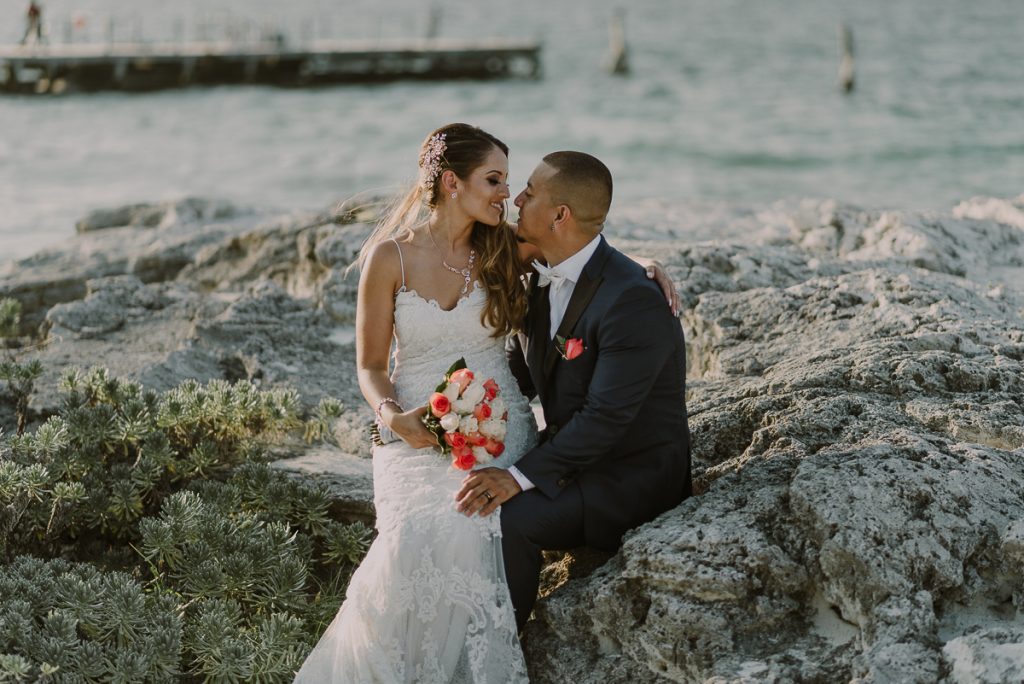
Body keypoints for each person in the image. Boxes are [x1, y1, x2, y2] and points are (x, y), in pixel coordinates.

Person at [294, 125, 677, 682]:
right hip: (412, 431)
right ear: (452, 183)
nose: (508, 194)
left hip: (500, 429)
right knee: (409, 543)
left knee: (478, 526)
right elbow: (370, 366)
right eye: (495, 180)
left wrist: (642, 267)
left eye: (513, 183)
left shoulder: (499, 248)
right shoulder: (388, 259)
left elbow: (578, 251)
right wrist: (392, 418)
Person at [454, 151, 692, 633]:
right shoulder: (542, 269)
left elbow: (605, 419)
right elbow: (521, 377)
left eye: (531, 193)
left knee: (506, 517)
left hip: (627, 475)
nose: (517, 199)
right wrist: (454, 410)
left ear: (560, 215)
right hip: (571, 456)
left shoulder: (632, 300)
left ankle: (503, 647)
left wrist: (518, 478)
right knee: (454, 492)